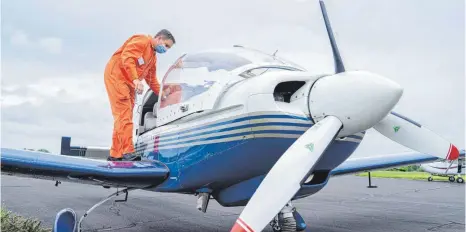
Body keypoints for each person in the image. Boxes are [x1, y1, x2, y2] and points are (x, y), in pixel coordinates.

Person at [104, 29, 176, 161]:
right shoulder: (142, 41)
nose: (165, 49)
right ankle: (127, 152)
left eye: (168, 48)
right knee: (124, 115)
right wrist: (135, 79)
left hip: (129, 83)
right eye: (165, 45)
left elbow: (151, 80)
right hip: (117, 78)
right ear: (159, 38)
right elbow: (127, 58)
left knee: (123, 116)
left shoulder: (152, 58)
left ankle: (115, 154)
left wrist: (163, 93)